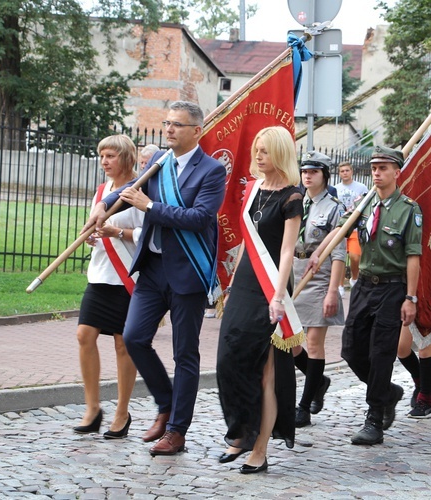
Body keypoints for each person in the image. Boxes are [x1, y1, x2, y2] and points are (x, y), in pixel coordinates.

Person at [81, 100, 226, 455]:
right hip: (153, 268)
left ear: (197, 130)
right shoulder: (160, 162)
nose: (170, 129)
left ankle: (177, 431)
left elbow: (199, 218)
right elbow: (129, 193)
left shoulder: (211, 171)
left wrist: (150, 207)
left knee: (184, 354)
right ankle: (166, 403)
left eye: (177, 124)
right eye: (167, 123)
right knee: (133, 337)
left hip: (187, 272)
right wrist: (105, 203)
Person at [308, 145, 423, 445]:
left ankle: (374, 418)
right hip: (364, 285)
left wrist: (411, 298)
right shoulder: (364, 203)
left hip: (392, 287)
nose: (377, 172)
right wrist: (318, 253)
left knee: (381, 351)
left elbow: (413, 256)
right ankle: (388, 392)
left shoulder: (409, 209)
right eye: (374, 168)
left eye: (383, 168)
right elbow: (341, 229)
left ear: (397, 172)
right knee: (351, 349)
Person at [216, 126, 303, 474]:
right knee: (228, 360)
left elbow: (286, 252)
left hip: (272, 288)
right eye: (257, 149)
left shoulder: (292, 197)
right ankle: (242, 432)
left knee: (267, 372)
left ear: (280, 153)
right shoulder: (252, 190)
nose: (258, 155)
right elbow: (245, 245)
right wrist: (232, 283)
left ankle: (260, 449)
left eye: (265, 150)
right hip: (246, 283)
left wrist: (279, 296)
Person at [74, 135, 143, 439]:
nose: (104, 161)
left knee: (122, 344)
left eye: (111, 155)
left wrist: (118, 232)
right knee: (84, 335)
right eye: (102, 156)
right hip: (100, 274)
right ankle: (92, 408)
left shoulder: (140, 190)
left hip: (128, 278)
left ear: (126, 157)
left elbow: (148, 235)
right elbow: (95, 228)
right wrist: (90, 234)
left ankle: (121, 412)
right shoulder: (102, 192)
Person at [292, 151, 346, 428]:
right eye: (304, 171)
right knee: (289, 343)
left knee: (313, 343)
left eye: (314, 171)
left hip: (319, 277)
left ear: (324, 175)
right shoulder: (295, 202)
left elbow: (339, 253)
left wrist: (332, 291)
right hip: (294, 273)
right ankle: (319, 380)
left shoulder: (334, 207)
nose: (308, 176)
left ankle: (303, 405)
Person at [333, 161, 370, 295]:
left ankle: (354, 278)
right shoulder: (335, 188)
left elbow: (367, 204)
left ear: (352, 171)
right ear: (339, 173)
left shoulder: (361, 187)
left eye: (347, 170)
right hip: (340, 226)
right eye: (342, 171)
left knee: (355, 256)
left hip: (355, 227)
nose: (345, 173)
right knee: (340, 256)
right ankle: (340, 284)